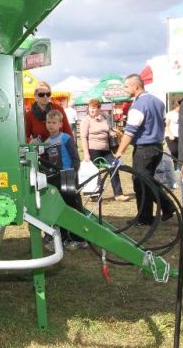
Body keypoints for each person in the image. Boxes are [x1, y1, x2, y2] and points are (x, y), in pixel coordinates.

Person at [112, 74, 175, 225]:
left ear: (136, 86)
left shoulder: (139, 105)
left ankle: (167, 206)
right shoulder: (158, 102)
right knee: (144, 182)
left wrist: (120, 151)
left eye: (127, 86)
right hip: (156, 147)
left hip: (144, 149)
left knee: (142, 182)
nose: (125, 89)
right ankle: (145, 217)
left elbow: (130, 131)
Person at [41, 110, 86, 250]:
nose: (51, 125)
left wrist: (72, 173)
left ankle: (80, 239)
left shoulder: (66, 138)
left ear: (60, 124)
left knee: (73, 207)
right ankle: (64, 237)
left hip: (68, 177)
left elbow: (75, 158)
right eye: (48, 122)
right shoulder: (47, 142)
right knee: (60, 208)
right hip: (55, 179)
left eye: (54, 122)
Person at [80, 99, 126, 201]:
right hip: (93, 149)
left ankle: (118, 194)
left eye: (94, 107)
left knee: (113, 167)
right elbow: (83, 137)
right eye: (90, 107)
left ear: (99, 108)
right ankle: (95, 194)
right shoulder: (86, 120)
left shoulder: (105, 117)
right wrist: (86, 153)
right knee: (95, 172)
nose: (92, 110)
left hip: (106, 149)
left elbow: (109, 130)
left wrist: (112, 133)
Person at [165, 101, 180, 166]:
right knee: (174, 150)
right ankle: (175, 165)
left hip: (180, 136)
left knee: (180, 151)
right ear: (176, 106)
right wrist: (170, 134)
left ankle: (178, 166)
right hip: (171, 136)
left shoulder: (182, 114)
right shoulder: (170, 114)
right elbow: (166, 125)